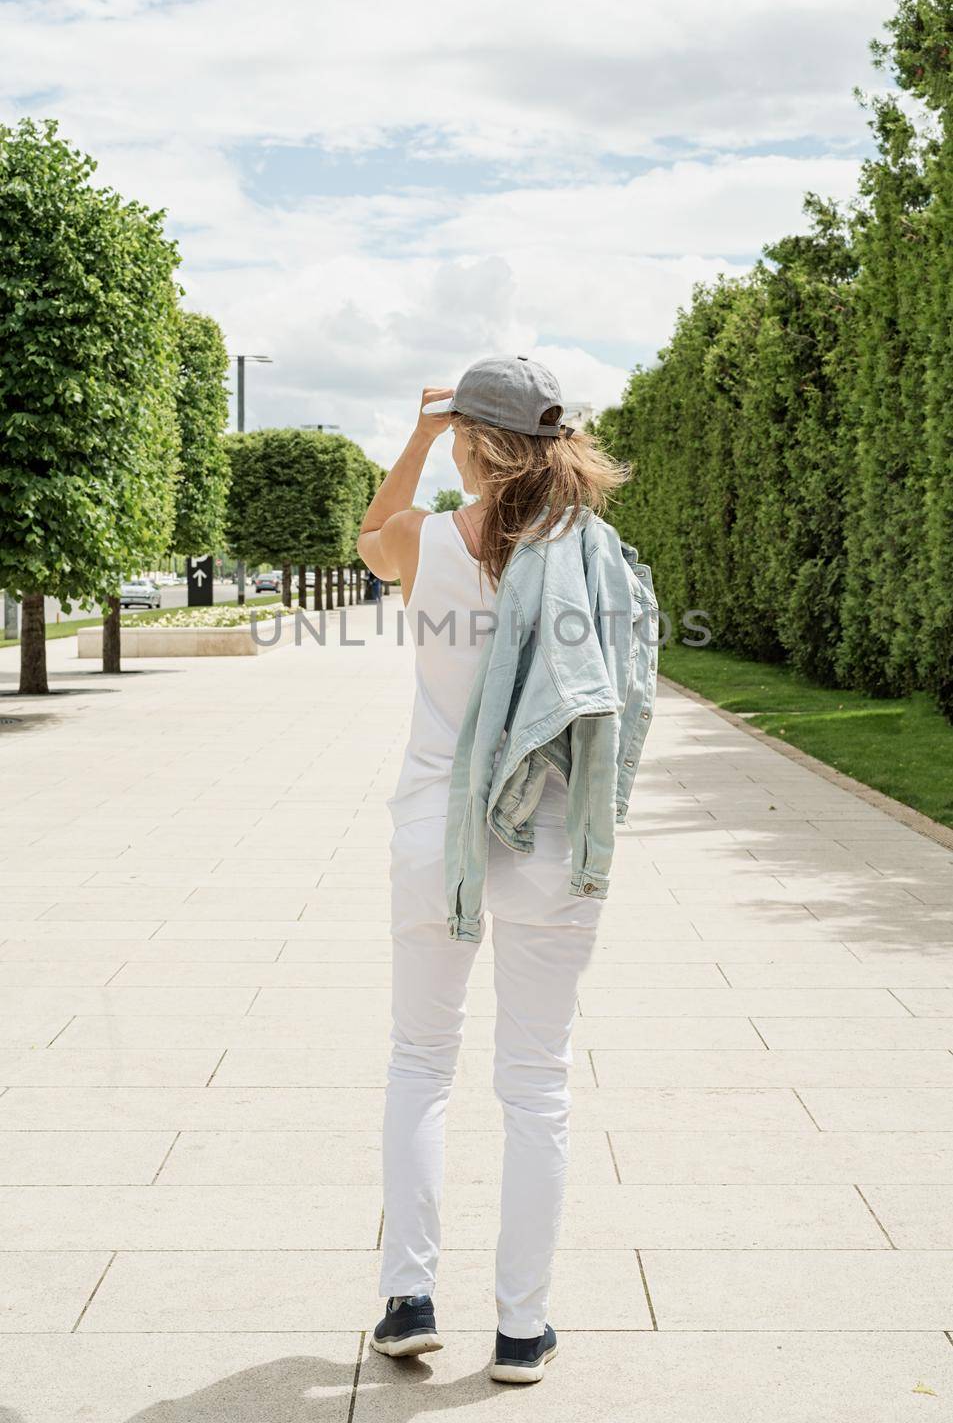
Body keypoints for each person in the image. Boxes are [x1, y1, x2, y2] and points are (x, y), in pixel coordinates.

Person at [356, 355, 656, 1384]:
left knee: (419, 1062)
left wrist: (415, 438)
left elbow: (365, 536)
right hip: (550, 837)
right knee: (535, 1086)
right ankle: (522, 1327)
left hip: (436, 833)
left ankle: (407, 1297)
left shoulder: (427, 542)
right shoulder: (597, 556)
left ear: (473, 440)